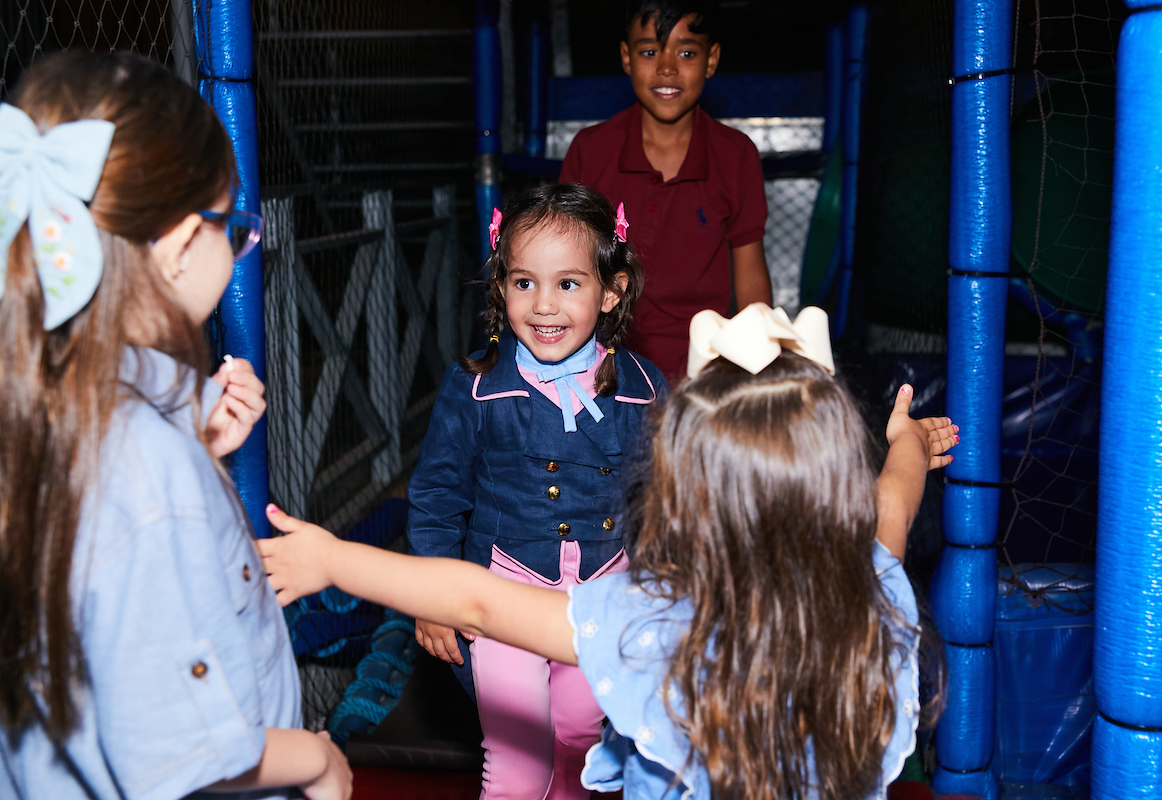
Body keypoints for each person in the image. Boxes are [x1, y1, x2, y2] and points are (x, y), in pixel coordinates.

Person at [256, 303, 959, 800]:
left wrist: (332, 560)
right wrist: (908, 442)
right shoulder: (872, 591)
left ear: (682, 492)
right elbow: (891, 504)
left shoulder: (658, 624)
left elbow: (474, 599)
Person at [0, 52, 350, 800]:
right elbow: (183, 758)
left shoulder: (38, 405)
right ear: (184, 241)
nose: (240, 242)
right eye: (235, 225)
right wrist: (318, 760)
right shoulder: (147, 469)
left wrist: (195, 449)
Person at [404, 183, 667, 800]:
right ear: (501, 287)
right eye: (525, 282)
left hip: (602, 600)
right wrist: (432, 594)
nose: (544, 305)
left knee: (581, 744)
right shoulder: (474, 386)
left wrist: (664, 588)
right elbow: (438, 495)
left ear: (612, 290)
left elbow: (663, 499)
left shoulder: (643, 389)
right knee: (517, 761)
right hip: (502, 596)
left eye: (568, 284)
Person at [559, 0, 773, 382]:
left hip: (706, 370)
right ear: (626, 57)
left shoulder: (736, 154)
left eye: (687, 52)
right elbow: (565, 271)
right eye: (650, 51)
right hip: (605, 366)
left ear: (711, 59)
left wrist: (757, 365)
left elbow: (751, 276)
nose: (667, 67)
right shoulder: (590, 151)